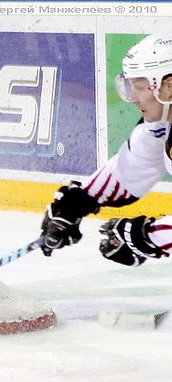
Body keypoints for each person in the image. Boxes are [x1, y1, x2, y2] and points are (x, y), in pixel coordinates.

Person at [40, 34, 172, 266]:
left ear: (168, 86)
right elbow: (134, 168)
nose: (133, 97)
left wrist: (149, 237)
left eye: (140, 87)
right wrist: (78, 203)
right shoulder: (160, 123)